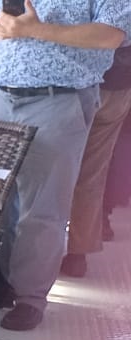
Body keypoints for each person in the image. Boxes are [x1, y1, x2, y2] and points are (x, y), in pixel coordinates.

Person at [0, 0, 131, 330]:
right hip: (2, 97)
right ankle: (0, 284)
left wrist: (36, 30)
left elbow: (111, 35)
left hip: (60, 98)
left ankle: (30, 298)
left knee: (43, 208)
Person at [63, 45, 131, 277]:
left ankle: (34, 257)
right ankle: (77, 254)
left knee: (48, 170)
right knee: (92, 172)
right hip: (121, 86)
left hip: (78, 83)